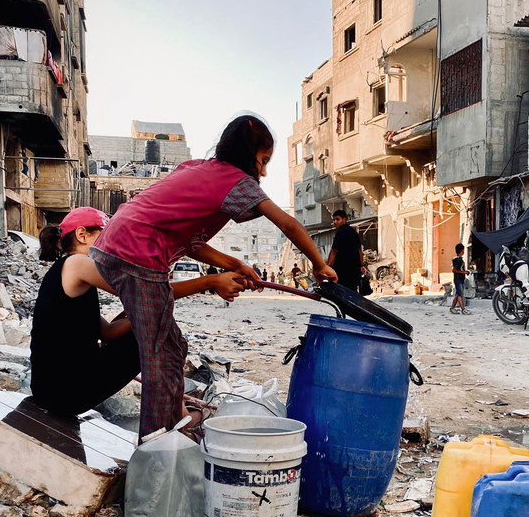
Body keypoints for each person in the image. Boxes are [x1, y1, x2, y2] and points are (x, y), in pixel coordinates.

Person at [89, 114, 337, 439]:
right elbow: (288, 223)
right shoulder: (238, 182)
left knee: (172, 345)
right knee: (159, 353)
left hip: (116, 243)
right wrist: (319, 264)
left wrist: (232, 262)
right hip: (138, 252)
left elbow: (189, 242)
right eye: (262, 161)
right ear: (249, 155)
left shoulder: (194, 168)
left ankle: (174, 418)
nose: (263, 172)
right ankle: (158, 442)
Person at [30, 207, 248, 427]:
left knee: (150, 322)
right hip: (64, 391)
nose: (113, 245)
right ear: (82, 235)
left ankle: (178, 413)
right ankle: (179, 419)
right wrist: (209, 282)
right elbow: (148, 292)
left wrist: (142, 314)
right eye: (106, 237)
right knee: (156, 333)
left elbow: (108, 332)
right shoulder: (77, 264)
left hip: (49, 390)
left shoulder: (68, 274)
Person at [327, 210, 364, 291]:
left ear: (344, 219)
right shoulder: (353, 232)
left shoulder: (340, 233)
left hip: (342, 269)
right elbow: (360, 250)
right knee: (352, 291)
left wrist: (327, 266)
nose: (335, 222)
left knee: (341, 292)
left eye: (337, 219)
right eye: (334, 220)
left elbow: (334, 251)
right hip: (354, 269)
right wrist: (361, 265)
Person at [450, 242, 470, 315]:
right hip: (458, 279)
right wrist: (464, 272)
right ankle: (463, 309)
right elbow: (454, 270)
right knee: (460, 295)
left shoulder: (460, 259)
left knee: (457, 294)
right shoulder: (457, 260)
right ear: (461, 251)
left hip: (460, 279)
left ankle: (452, 308)